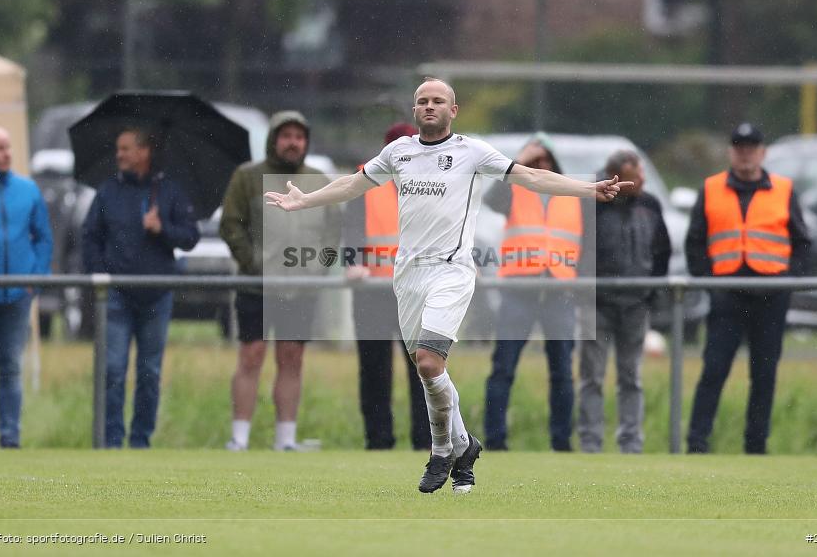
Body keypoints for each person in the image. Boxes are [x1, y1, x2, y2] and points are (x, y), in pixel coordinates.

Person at [265, 78, 631, 493]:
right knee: (432, 371)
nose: (429, 106)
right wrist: (302, 200)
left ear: (453, 110)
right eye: (422, 101)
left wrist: (589, 189)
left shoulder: (472, 152)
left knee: (426, 361)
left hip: (451, 272)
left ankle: (441, 451)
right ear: (415, 109)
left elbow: (530, 177)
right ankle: (465, 447)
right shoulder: (398, 152)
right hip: (406, 276)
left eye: (438, 100)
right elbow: (352, 184)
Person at [685, 123, 810, 454]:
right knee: (713, 371)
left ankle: (756, 446)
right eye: (739, 147)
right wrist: (709, 282)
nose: (745, 154)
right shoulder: (711, 189)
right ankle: (697, 444)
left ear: (763, 152)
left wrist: (789, 278)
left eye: (751, 147)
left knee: (764, 375)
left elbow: (802, 242)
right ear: (730, 152)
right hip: (727, 296)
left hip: (770, 296)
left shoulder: (783, 189)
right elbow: (695, 242)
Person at [220, 111, 341, 451]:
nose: (293, 142)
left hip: (301, 288)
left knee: (292, 358)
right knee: (251, 356)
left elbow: (332, 234)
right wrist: (253, 262)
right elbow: (231, 224)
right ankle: (239, 438)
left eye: (299, 137)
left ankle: (285, 439)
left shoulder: (319, 180)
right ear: (274, 139)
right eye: (286, 135)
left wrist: (320, 268)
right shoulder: (247, 177)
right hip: (256, 286)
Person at [82, 127, 200, 448]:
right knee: (113, 371)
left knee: (149, 373)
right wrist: (101, 275)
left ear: (144, 151)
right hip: (117, 295)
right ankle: (110, 440)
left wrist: (162, 229)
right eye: (118, 149)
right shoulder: (107, 192)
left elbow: (190, 237)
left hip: (157, 294)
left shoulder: (170, 192)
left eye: (125, 148)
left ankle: (140, 441)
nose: (119, 154)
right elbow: (90, 237)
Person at [482, 132, 579, 452]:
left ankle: (561, 442)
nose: (540, 166)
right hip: (519, 290)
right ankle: (495, 441)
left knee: (563, 372)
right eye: (534, 161)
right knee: (503, 368)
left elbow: (586, 245)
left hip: (559, 292)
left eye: (544, 160)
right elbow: (492, 199)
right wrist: (519, 163)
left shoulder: (572, 195)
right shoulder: (514, 190)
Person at [577, 150, 671, 454]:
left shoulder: (650, 206)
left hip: (635, 305)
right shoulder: (592, 204)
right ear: (617, 177)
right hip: (598, 304)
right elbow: (581, 249)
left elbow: (662, 252)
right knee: (592, 377)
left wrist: (651, 293)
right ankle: (590, 443)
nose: (642, 180)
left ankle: (631, 444)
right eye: (636, 175)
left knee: (631, 377)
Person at [344, 123, 431, 451]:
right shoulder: (365, 181)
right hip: (373, 293)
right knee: (374, 369)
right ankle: (379, 440)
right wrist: (352, 263)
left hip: (416, 290)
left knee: (423, 368)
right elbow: (351, 227)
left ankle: (426, 441)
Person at [0, 126, 53, 449]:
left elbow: (44, 238)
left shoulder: (28, 190)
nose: (7, 153)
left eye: (8, 147)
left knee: (11, 365)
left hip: (17, 297)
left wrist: (33, 280)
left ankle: (10, 436)